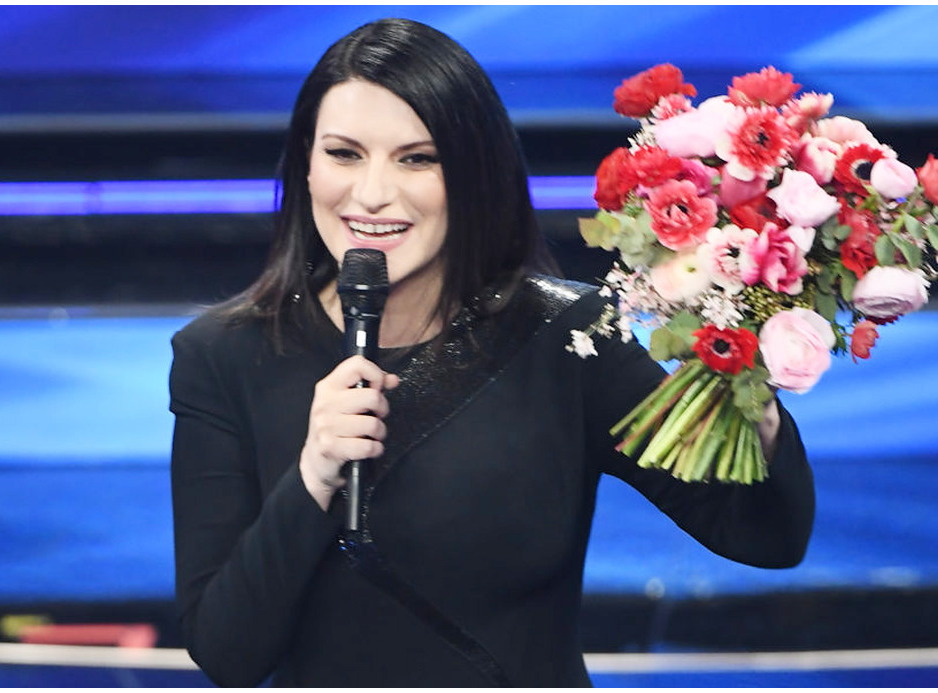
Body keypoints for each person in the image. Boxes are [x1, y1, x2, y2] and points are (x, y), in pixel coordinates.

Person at [168, 17, 814, 687]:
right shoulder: (222, 356)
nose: (372, 194)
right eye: (344, 154)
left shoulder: (568, 336)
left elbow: (763, 536)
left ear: (474, 172)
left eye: (417, 158)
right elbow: (227, 652)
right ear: (306, 163)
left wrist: (754, 397)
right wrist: (313, 476)